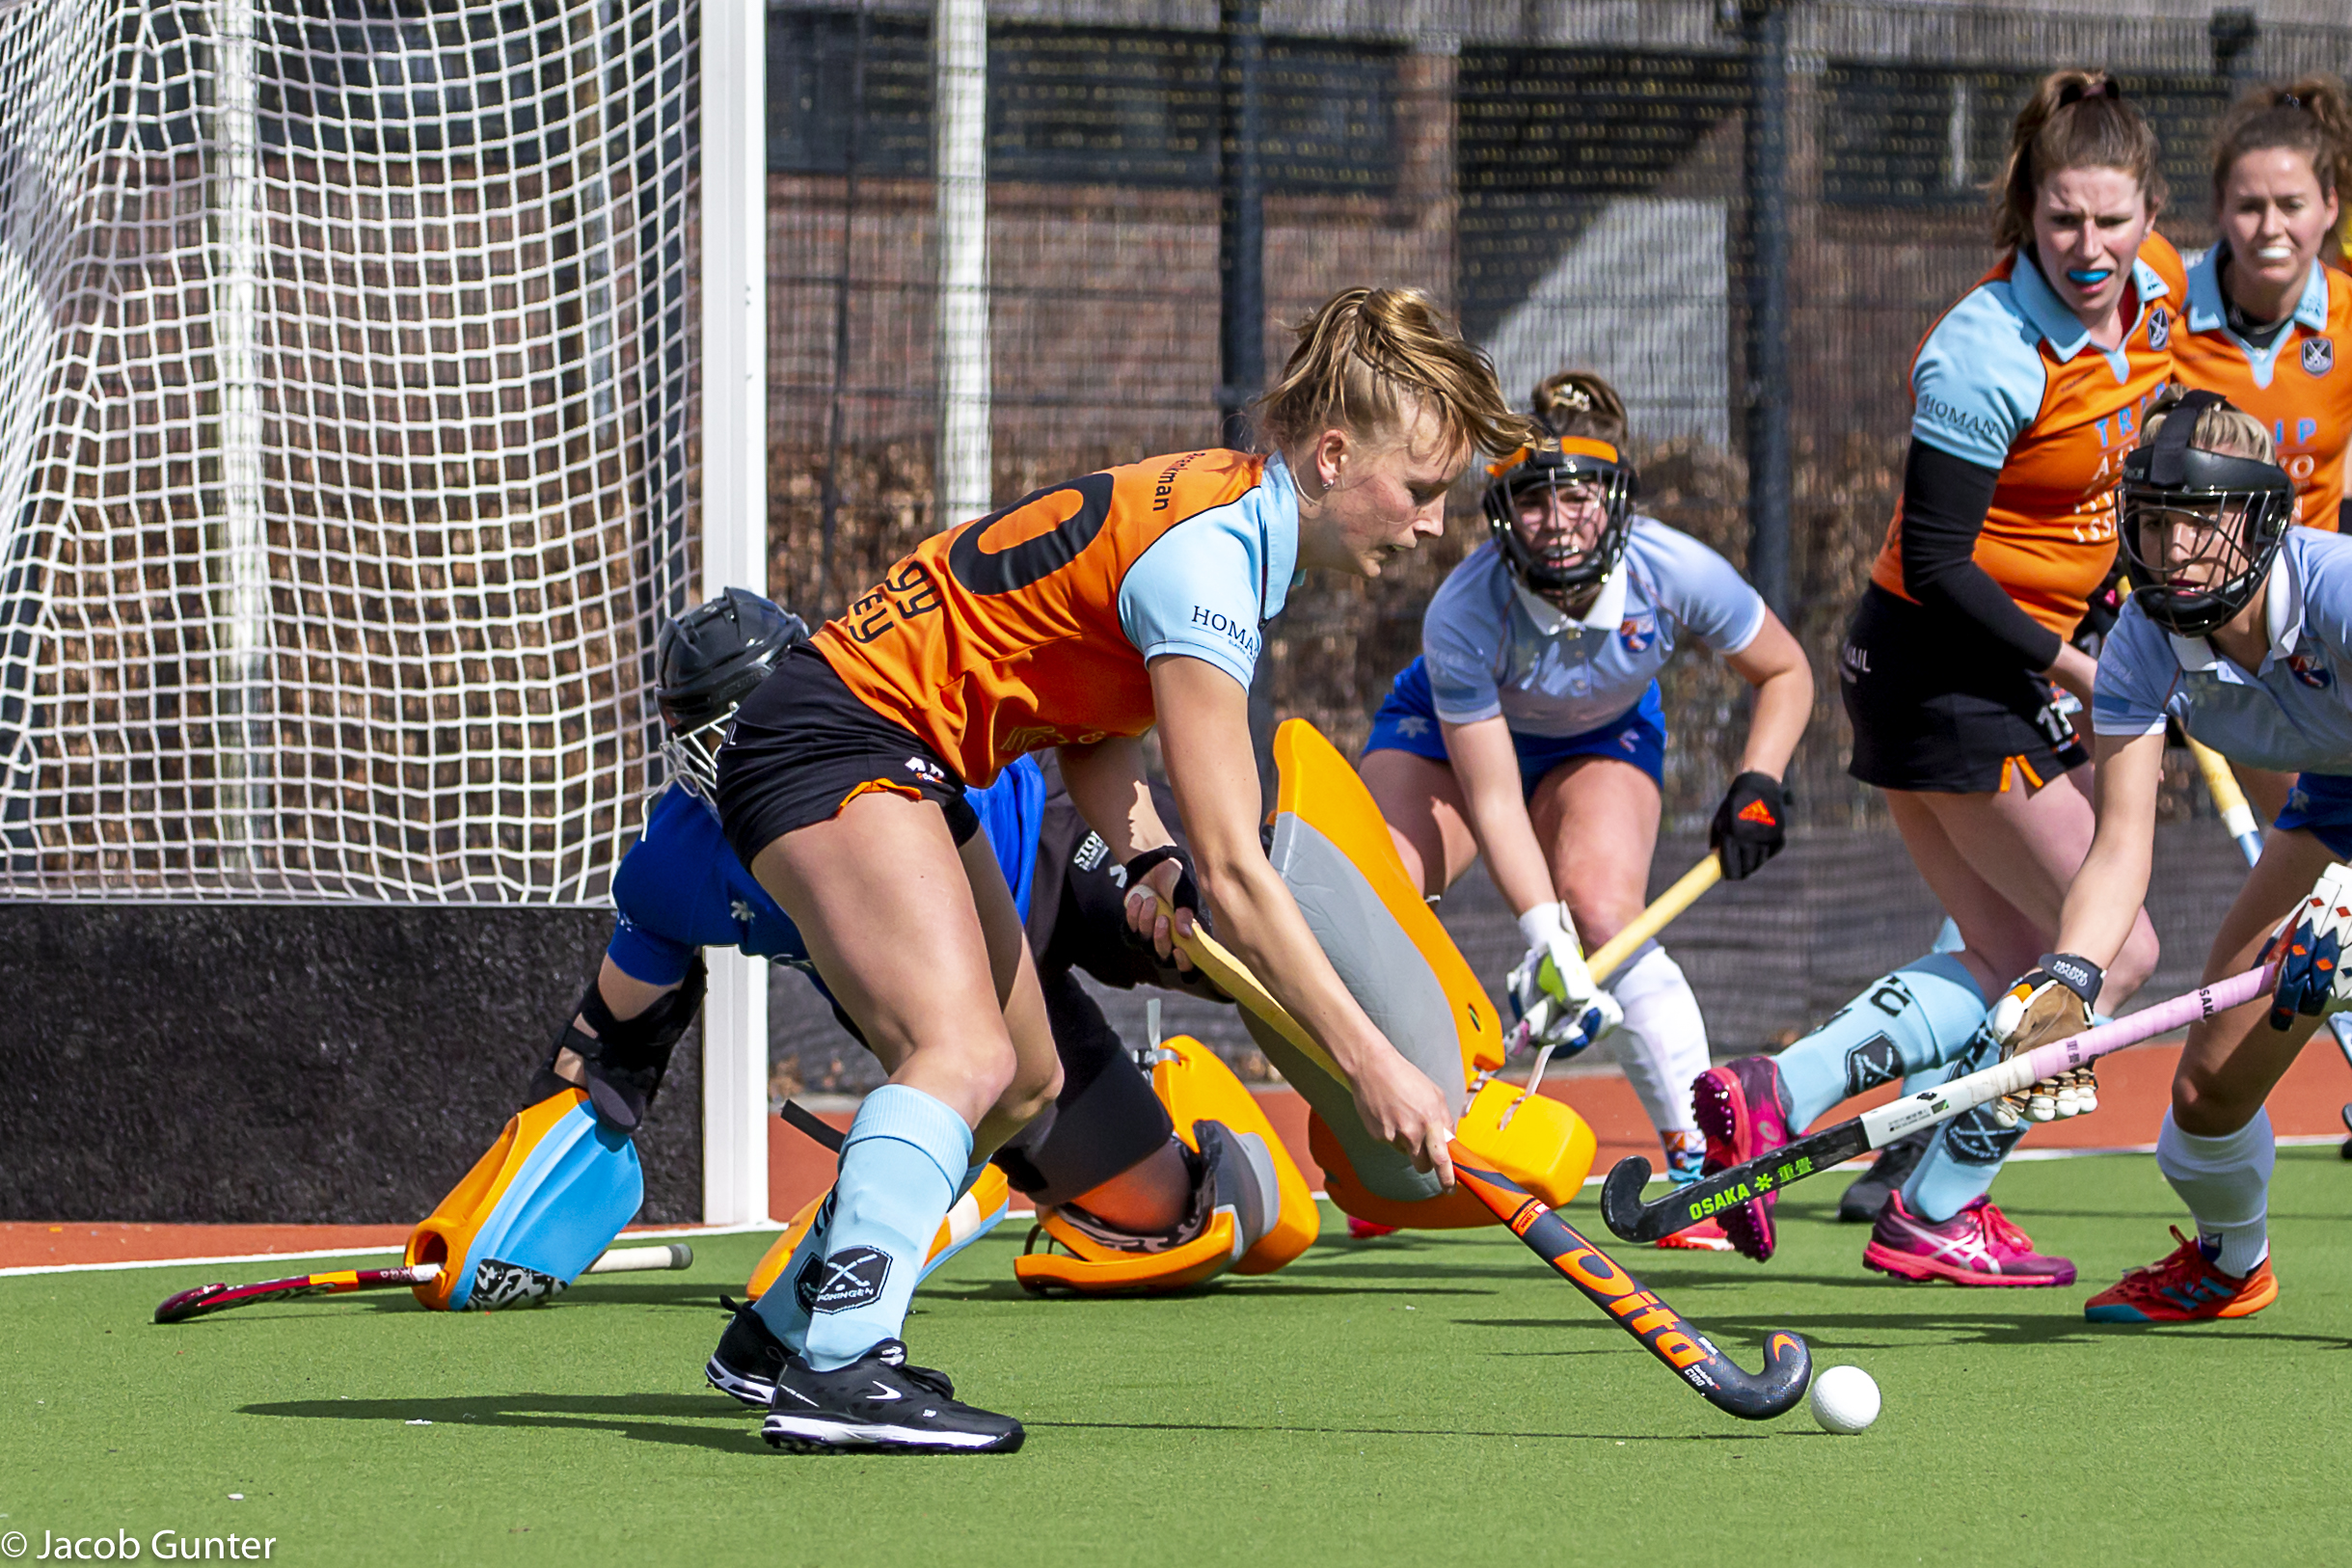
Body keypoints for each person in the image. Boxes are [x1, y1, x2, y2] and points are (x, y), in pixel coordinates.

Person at [709, 285, 1535, 1453]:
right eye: (1420, 489)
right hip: (838, 741)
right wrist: (1375, 1068)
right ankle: (842, 1368)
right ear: (1334, 456)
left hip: (899, 755)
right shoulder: (1211, 561)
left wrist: (1148, 858)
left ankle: (780, 1336)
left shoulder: (1225, 513)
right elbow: (1241, 875)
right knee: (961, 1053)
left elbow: (1094, 732)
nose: (1436, 524)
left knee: (1022, 1083)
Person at [1694, 69, 2173, 1284]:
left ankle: (1781, 1093)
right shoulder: (1984, 350)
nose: (2090, 248)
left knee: (2015, 958)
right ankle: (1935, 1199)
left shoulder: (2158, 293)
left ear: (2150, 211)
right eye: (2063, 219)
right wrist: (2084, 667)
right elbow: (1939, 562)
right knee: (2114, 952)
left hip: (1980, 672)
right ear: (2026, 210)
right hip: (1947, 668)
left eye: (2113, 220)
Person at [1359, 371, 1812, 1249]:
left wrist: (1757, 779)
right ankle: (1390, 1151)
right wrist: (1543, 939)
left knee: (1606, 914)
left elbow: (1784, 670)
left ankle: (1699, 1166)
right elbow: (1494, 797)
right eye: (1533, 499)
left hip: (1600, 735)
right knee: (1383, 895)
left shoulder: (1672, 568)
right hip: (1448, 738)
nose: (1557, 520)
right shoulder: (1463, 611)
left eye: (1577, 495)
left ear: (1615, 498)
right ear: (1501, 511)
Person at [1998, 388, 2317, 1321]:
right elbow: (2118, 847)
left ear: (2256, 518)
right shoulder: (2143, 640)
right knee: (2207, 1098)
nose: (2171, 548)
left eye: (2196, 521)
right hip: (2331, 812)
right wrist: (2069, 978)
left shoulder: (2337, 592)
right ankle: (2232, 1267)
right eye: (2152, 520)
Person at [2170, 76, 2352, 537]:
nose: (2271, 227)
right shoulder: (2166, 317)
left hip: (2314, 570)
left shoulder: (2348, 315)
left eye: (2292, 205)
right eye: (2250, 207)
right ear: (2220, 207)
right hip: (2192, 568)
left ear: (2330, 206)